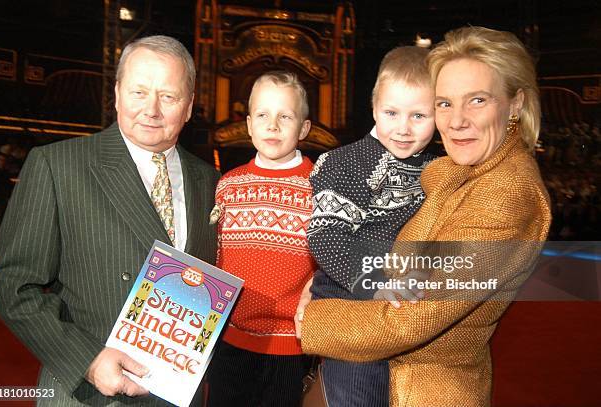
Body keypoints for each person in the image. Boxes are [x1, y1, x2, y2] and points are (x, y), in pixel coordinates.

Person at [296, 26, 552, 406]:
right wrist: (340, 277)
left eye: (477, 100)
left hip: (421, 386)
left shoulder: (507, 192)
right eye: (446, 103)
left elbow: (408, 319)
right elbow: (331, 236)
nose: (457, 120)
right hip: (376, 347)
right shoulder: (453, 168)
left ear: (515, 103)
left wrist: (310, 320)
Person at [0, 35, 219, 406]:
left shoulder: (211, 182)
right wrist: (88, 360)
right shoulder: (58, 166)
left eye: (169, 97)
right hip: (87, 394)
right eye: (139, 92)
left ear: (189, 106)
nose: (152, 110)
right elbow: (12, 286)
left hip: (177, 396)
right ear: (116, 94)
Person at [305, 46, 436, 406]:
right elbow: (326, 237)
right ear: (374, 106)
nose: (403, 128)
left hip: (405, 313)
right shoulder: (346, 163)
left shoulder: (437, 167)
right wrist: (375, 285)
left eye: (419, 115)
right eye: (391, 112)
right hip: (353, 311)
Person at [206, 71, 316, 407]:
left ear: (304, 128)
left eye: (285, 116)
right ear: (249, 124)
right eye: (263, 115)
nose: (273, 126)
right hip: (230, 339)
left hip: (289, 345)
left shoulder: (320, 186)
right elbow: (214, 256)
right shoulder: (228, 185)